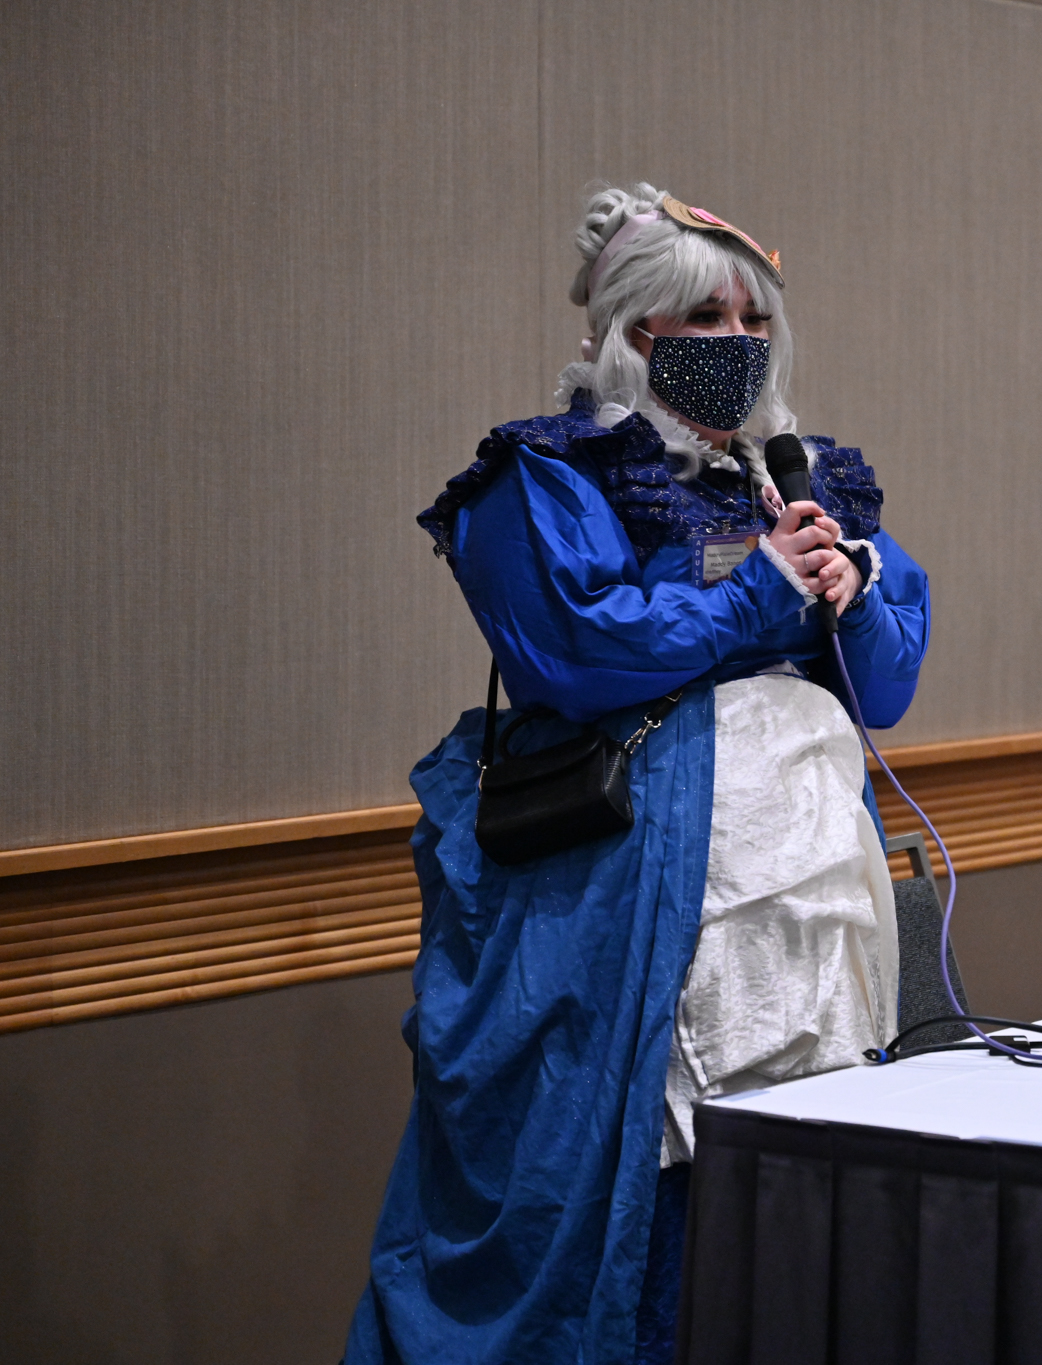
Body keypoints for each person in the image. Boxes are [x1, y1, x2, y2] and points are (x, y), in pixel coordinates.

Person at [344, 182, 930, 1364]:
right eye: (703, 318)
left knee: (792, 1164)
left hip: (805, 894)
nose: (735, 342)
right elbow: (573, 649)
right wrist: (759, 589)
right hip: (623, 896)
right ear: (631, 329)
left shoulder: (799, 479)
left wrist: (853, 595)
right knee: (642, 1175)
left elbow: (886, 688)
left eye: (752, 320)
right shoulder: (546, 475)